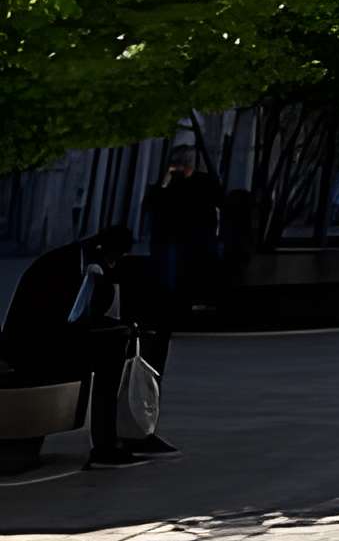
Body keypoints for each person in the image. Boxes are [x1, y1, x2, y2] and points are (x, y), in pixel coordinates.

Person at [0, 226, 173, 466]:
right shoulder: (63, 266)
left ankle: (124, 434)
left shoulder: (86, 263)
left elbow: (85, 313)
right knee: (110, 353)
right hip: (31, 346)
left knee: (120, 340)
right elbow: (64, 317)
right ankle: (105, 444)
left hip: (50, 337)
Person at [140, 144, 225, 319]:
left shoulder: (204, 181)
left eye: (186, 161)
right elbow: (151, 204)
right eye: (179, 161)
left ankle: (184, 305)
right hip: (172, 236)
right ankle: (171, 305)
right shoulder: (169, 182)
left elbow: (218, 202)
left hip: (195, 237)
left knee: (189, 273)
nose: (182, 165)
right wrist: (165, 181)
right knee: (170, 273)